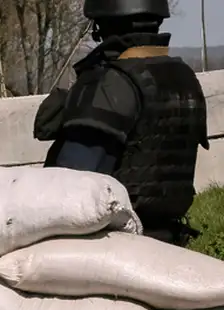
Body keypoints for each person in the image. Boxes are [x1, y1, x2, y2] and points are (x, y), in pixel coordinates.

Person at [36, 0, 208, 245]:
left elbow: (70, 187)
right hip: (170, 240)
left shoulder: (110, 84)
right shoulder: (184, 78)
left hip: (115, 244)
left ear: (102, 22)